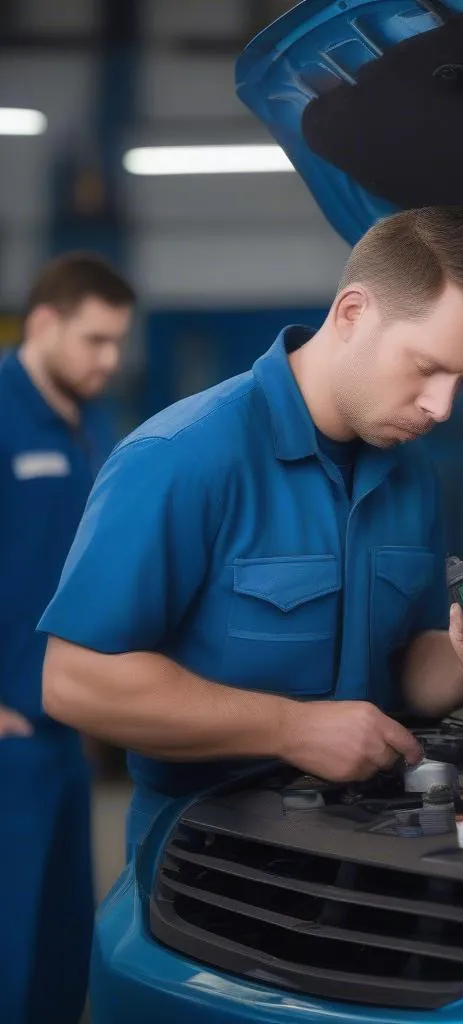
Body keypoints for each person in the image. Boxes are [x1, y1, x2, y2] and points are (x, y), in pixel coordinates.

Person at [38, 206, 463, 863]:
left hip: (380, 848)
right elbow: (75, 680)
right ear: (353, 314)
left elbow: (409, 665)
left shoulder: (410, 474)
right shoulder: (182, 457)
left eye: (462, 382)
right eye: (426, 367)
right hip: (208, 860)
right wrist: (290, 729)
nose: (441, 406)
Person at [0, 252, 135, 1024]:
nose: (109, 361)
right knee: (8, 959)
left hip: (67, 731)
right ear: (45, 323)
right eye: (95, 341)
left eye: (118, 342)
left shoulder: (91, 426)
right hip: (9, 737)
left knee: (61, 955)